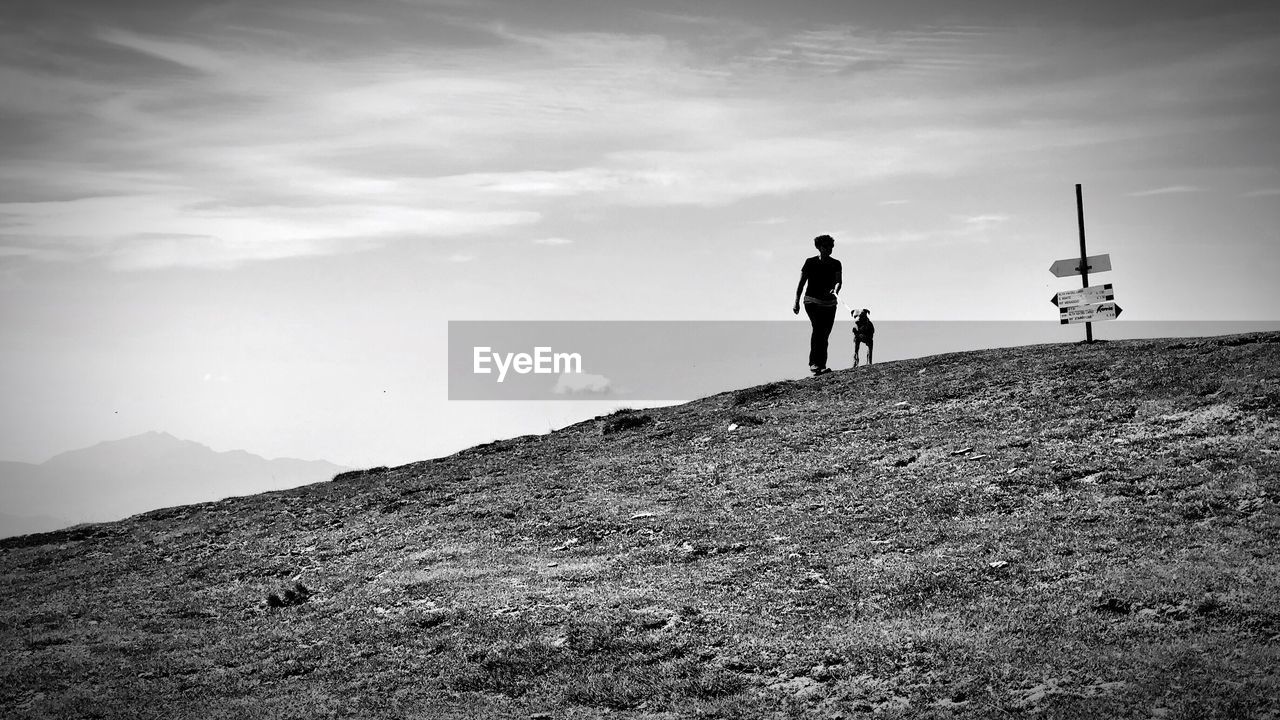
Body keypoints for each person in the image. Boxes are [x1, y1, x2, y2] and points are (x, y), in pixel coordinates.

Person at [793, 234, 842, 375]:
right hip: (812, 301)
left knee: (825, 333)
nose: (829, 249)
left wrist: (836, 290)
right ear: (819, 247)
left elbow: (839, 281)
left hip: (830, 303)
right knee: (818, 329)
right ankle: (814, 363)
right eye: (826, 247)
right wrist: (796, 301)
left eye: (831, 247)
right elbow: (801, 283)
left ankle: (821, 365)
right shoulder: (810, 262)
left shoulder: (836, 263)